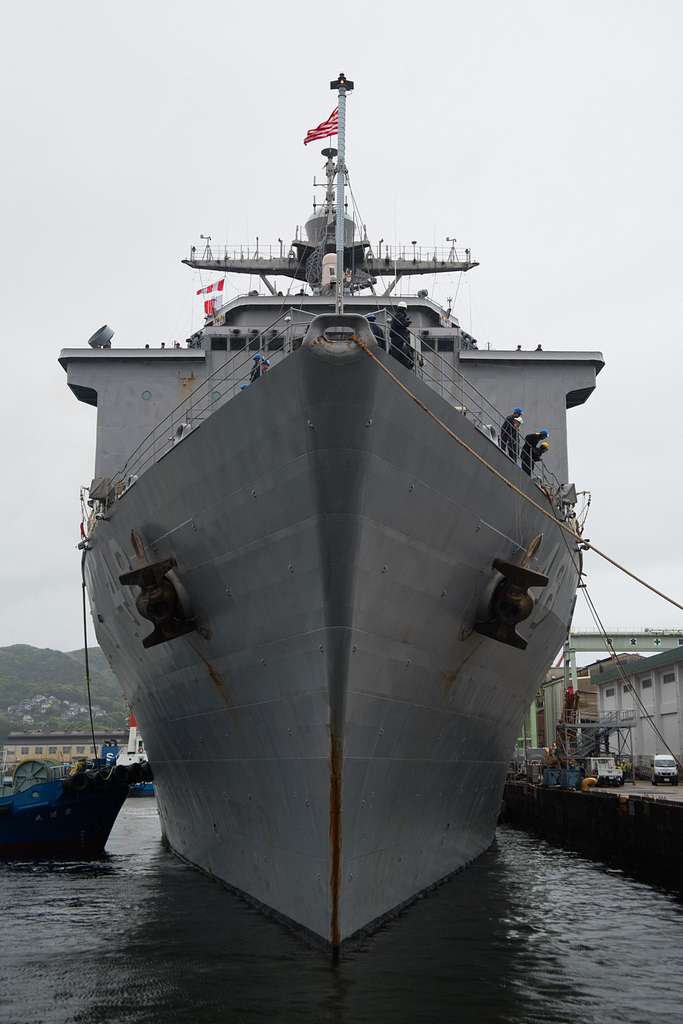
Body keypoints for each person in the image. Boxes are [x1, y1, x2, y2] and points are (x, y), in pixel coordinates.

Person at [389, 301, 414, 369]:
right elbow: (401, 323)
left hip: (396, 338)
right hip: (398, 338)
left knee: (400, 352)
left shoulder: (398, 315)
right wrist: (408, 322)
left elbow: (399, 323)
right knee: (402, 352)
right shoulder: (400, 315)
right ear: (404, 309)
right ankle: (408, 364)